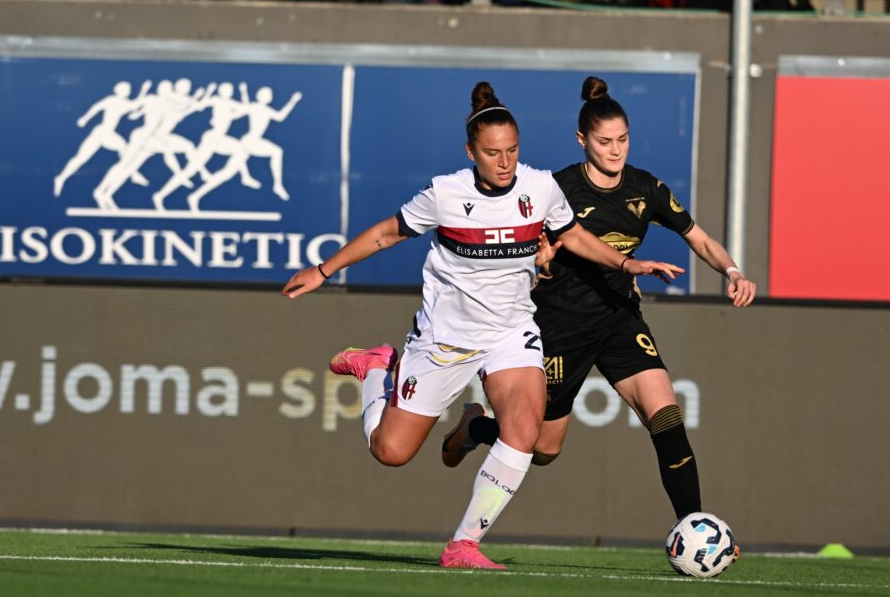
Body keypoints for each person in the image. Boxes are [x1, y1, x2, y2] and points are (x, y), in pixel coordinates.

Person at [282, 81, 684, 569]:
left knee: (525, 427)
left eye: (512, 150)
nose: (504, 162)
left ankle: (464, 544)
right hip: (444, 341)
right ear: (470, 151)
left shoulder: (540, 189)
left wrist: (625, 266)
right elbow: (387, 234)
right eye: (492, 153)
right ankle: (376, 368)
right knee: (390, 452)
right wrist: (323, 271)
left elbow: (573, 234)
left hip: (511, 332)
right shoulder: (445, 195)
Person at [441, 76, 756, 528]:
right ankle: (476, 427)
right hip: (560, 326)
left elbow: (699, 238)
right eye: (605, 141)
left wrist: (732, 270)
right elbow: (526, 252)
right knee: (543, 448)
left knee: (665, 414)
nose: (616, 150)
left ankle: (696, 529)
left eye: (622, 139)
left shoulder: (645, 188)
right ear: (582, 140)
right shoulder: (557, 188)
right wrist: (541, 262)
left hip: (618, 318)